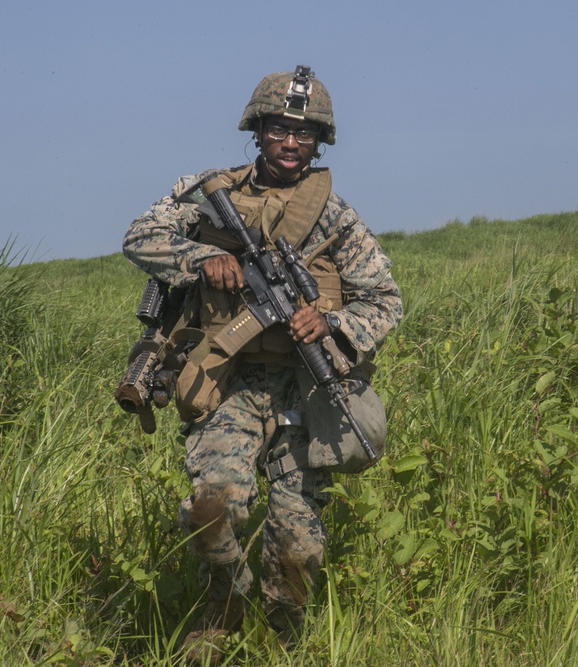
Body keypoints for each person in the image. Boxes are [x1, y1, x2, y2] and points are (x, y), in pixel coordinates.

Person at [122, 66, 402, 662]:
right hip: (228, 383)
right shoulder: (210, 193)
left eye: (305, 133)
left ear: (320, 140)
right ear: (258, 131)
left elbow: (387, 300)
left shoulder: (335, 219)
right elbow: (140, 235)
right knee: (213, 506)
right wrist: (202, 259)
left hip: (306, 388)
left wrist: (332, 323)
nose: (292, 142)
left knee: (299, 544)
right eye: (280, 128)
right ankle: (223, 607)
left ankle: (280, 639)